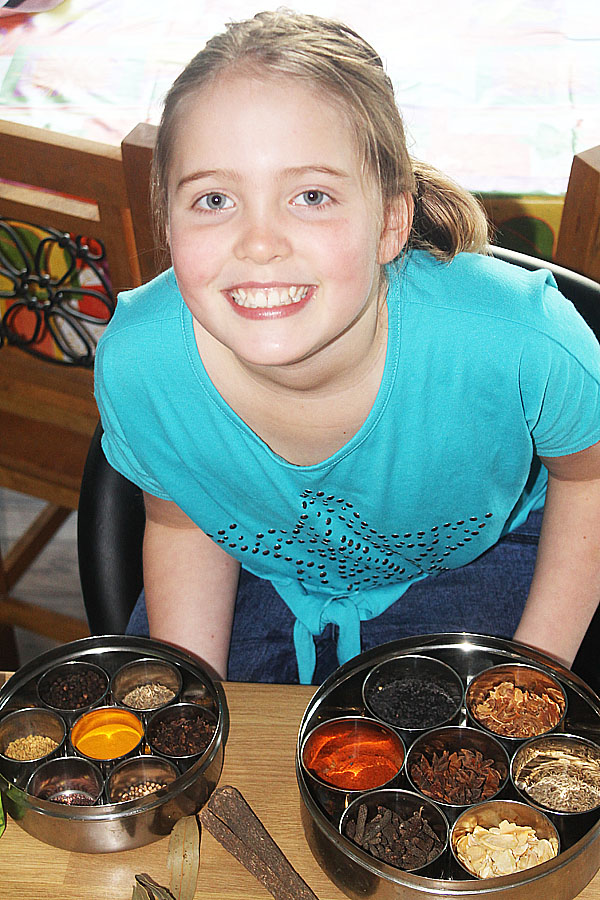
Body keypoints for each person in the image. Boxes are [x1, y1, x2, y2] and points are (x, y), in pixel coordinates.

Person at [95, 10, 600, 685]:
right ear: (166, 220)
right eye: (215, 199)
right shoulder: (140, 366)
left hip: (483, 557)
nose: (259, 242)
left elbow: (589, 478)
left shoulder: (521, 344)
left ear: (392, 220)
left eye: (310, 195)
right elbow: (185, 525)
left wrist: (530, 677)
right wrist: (204, 707)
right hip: (259, 575)